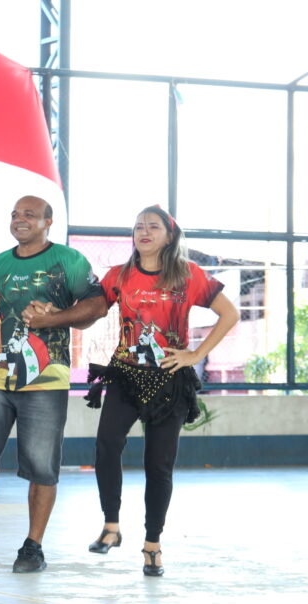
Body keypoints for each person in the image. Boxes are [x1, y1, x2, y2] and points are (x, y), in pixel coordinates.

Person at [0, 195, 107, 573]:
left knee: (42, 467)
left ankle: (32, 548)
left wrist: (53, 318)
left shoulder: (68, 261)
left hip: (46, 379)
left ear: (48, 221)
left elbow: (97, 306)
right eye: (15, 214)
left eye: (30, 214)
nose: (20, 219)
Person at [84, 205, 237, 576]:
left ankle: (152, 543)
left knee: (158, 464)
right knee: (107, 445)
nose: (144, 231)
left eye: (153, 226)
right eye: (139, 226)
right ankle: (111, 526)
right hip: (125, 375)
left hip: (169, 380)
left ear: (170, 236)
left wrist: (195, 354)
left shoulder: (188, 274)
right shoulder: (119, 275)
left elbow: (229, 314)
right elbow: (90, 310)